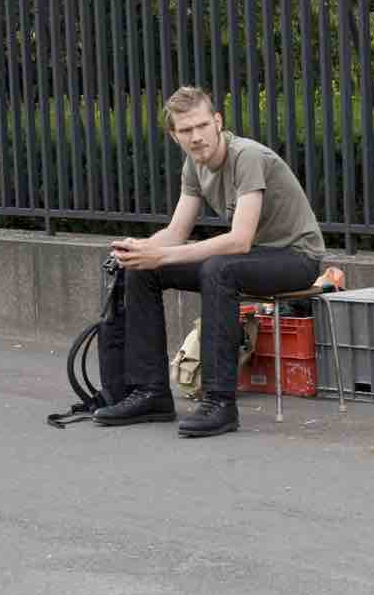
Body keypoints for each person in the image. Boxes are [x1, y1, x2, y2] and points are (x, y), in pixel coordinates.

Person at [94, 86, 325, 437]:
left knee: (219, 269)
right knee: (144, 270)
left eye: (202, 125)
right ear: (175, 136)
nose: (196, 136)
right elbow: (176, 231)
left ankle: (220, 403)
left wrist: (161, 253)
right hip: (251, 258)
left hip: (295, 257)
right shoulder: (194, 165)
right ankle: (150, 392)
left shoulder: (246, 156)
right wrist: (139, 250)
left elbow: (238, 240)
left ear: (217, 122)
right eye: (186, 130)